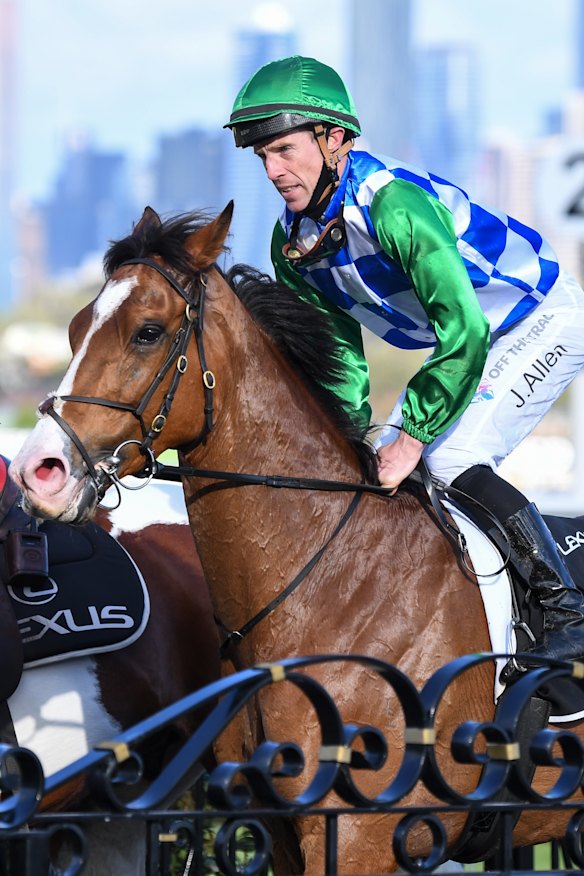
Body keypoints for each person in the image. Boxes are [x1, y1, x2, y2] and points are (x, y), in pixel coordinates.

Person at [225, 54, 584, 681]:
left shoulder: (393, 205)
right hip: (469, 343)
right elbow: (339, 356)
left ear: (334, 138)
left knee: (445, 457)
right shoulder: (293, 245)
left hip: (537, 319)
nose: (273, 171)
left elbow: (464, 328)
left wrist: (413, 433)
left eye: (283, 150)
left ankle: (567, 618)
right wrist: (350, 437)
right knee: (379, 467)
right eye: (262, 158)